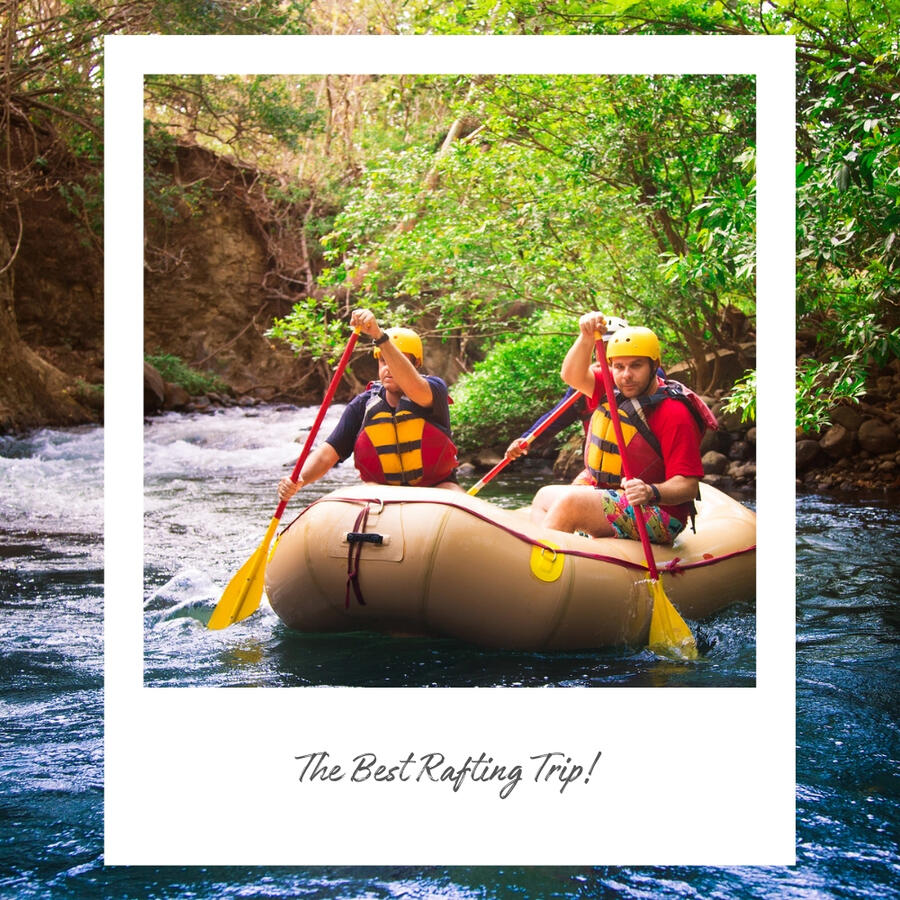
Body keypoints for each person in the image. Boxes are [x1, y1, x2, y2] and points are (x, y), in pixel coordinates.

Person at [530, 311, 715, 544]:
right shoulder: (610, 387)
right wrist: (586, 337)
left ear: (654, 365)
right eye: (619, 367)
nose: (626, 375)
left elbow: (687, 486)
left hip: (660, 511)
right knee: (544, 496)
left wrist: (650, 491)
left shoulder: (674, 412)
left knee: (572, 503)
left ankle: (545, 564)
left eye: (636, 366)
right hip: (614, 493)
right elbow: (571, 375)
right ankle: (552, 559)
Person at [278, 308, 464, 501]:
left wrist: (379, 337)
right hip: (380, 495)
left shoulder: (434, 390)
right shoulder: (362, 405)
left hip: (437, 489)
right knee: (362, 494)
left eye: (397, 360)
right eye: (383, 361)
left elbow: (415, 388)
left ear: (414, 364)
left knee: (453, 492)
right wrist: (299, 479)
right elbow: (327, 454)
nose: (389, 368)